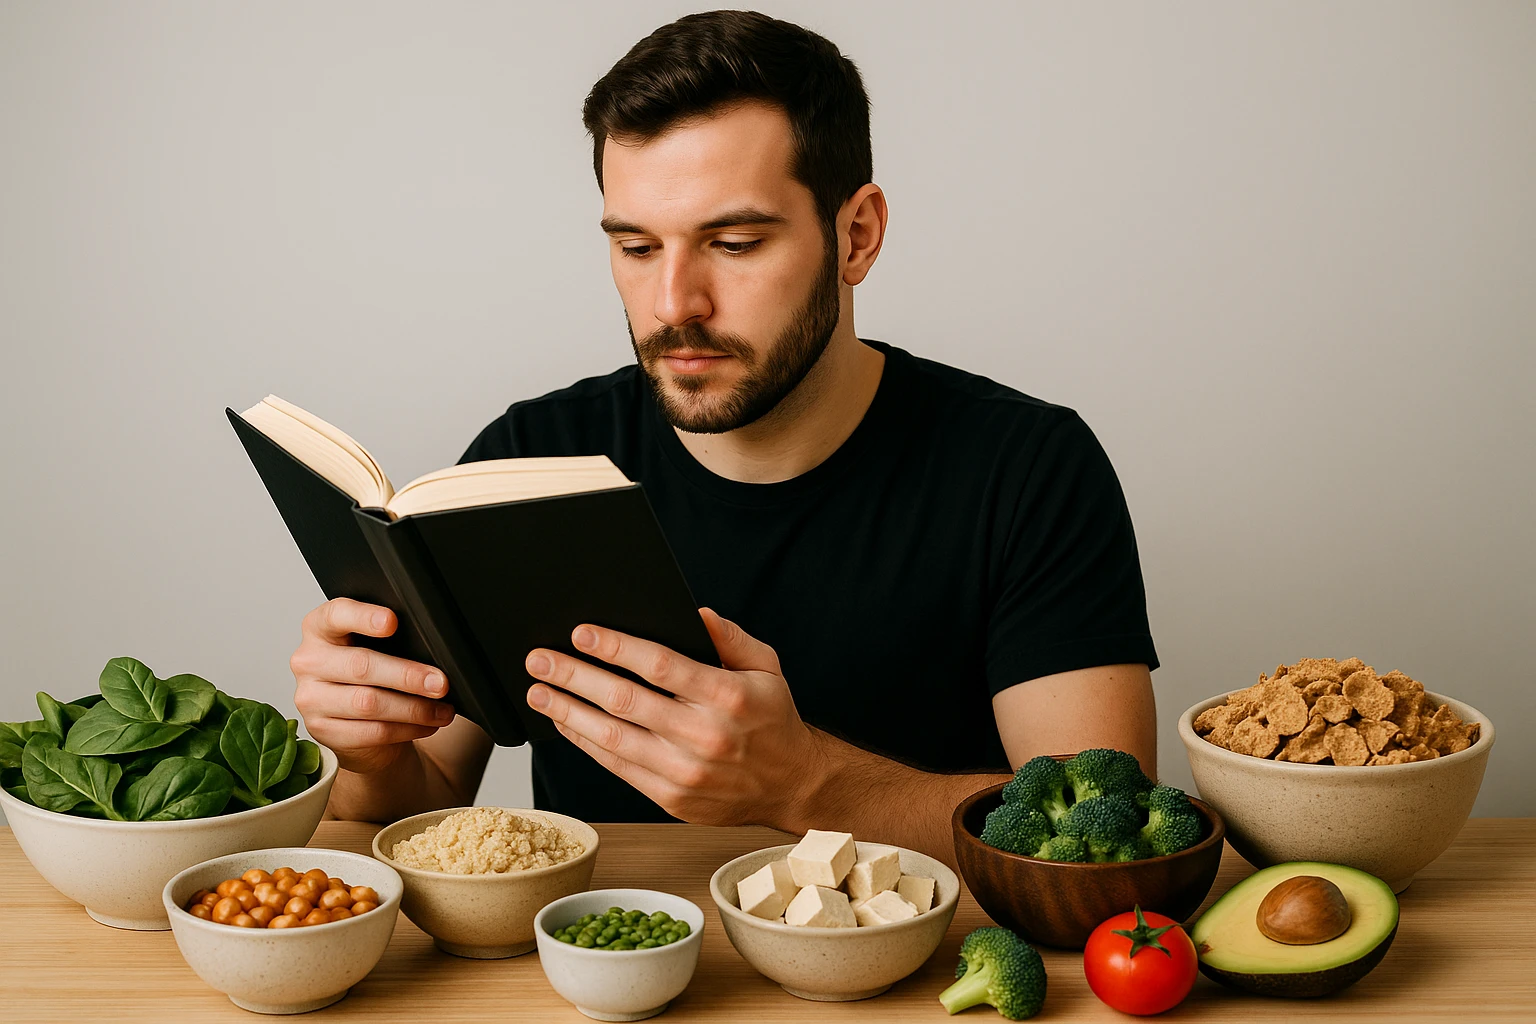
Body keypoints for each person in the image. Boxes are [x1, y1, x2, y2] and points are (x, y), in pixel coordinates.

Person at [289, 10, 1158, 866]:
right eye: (634, 246)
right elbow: (419, 805)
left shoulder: (1029, 468)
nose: (674, 304)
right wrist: (369, 754)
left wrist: (805, 784)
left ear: (856, 236)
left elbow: (1104, 839)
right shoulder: (524, 461)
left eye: (734, 243)